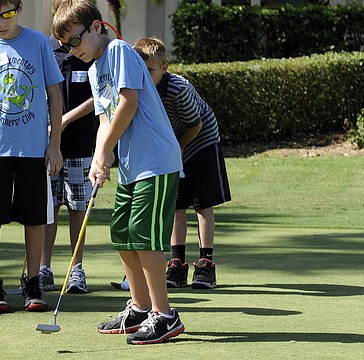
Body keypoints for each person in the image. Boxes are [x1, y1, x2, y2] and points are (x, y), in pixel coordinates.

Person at [52, 0, 185, 345]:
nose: (72, 50)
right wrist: (101, 155)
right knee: (122, 231)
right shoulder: (95, 70)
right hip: (130, 164)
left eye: (75, 40)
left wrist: (105, 149)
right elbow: (105, 119)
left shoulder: (121, 51)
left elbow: (128, 102)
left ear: (96, 27)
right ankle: (140, 308)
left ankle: (165, 315)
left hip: (155, 160)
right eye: (65, 45)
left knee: (143, 234)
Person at [0, 0, 64, 313]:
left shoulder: (38, 42)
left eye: (6, 14)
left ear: (19, 8)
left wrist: (55, 144)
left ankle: (33, 284)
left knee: (35, 219)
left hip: (33, 149)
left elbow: (54, 95)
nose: (0, 22)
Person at [134, 37, 231, 289]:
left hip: (200, 140)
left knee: (202, 202)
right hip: (171, 144)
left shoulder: (179, 89)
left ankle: (205, 264)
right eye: (139, 69)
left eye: (150, 71)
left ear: (164, 68)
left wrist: (179, 149)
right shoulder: (137, 89)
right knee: (176, 203)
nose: (144, 76)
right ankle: (176, 264)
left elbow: (196, 124)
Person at [40, 2, 97, 294]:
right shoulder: (47, 48)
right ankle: (44, 269)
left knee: (78, 208)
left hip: (81, 145)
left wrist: (62, 120)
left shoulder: (88, 49)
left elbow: (99, 97)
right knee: (49, 207)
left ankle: (76, 270)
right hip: (48, 146)